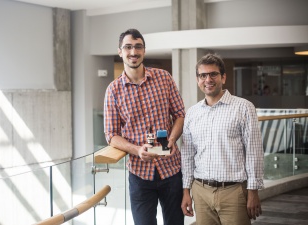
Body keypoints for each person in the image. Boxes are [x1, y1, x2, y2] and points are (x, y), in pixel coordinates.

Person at [104, 28, 185, 225]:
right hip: (139, 174)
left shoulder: (164, 78)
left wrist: (172, 139)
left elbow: (180, 115)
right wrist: (137, 150)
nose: (133, 52)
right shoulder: (113, 90)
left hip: (171, 170)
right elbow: (111, 135)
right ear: (120, 51)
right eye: (128, 47)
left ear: (144, 51)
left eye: (138, 47)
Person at [181, 53, 264, 225]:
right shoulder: (192, 113)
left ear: (223, 77)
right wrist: (186, 191)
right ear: (198, 80)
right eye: (203, 75)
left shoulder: (244, 107)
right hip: (201, 192)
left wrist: (253, 192)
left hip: (234, 193)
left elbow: (254, 153)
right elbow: (187, 156)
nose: (208, 79)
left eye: (213, 74)